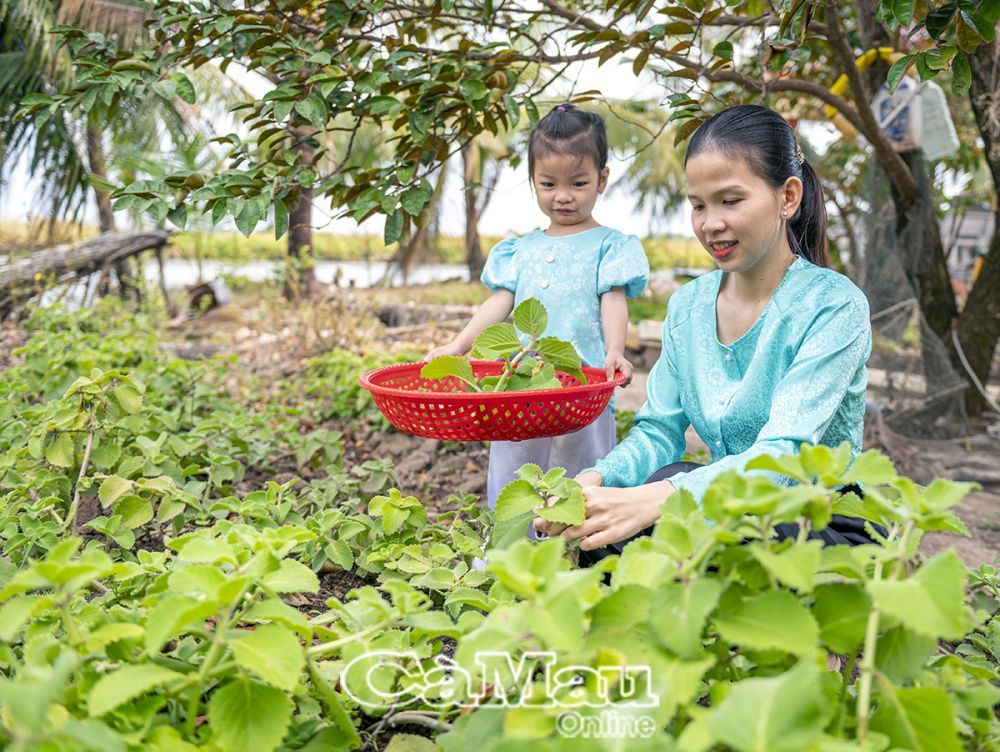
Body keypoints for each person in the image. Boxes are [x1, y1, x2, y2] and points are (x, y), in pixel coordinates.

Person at [534, 104, 876, 555]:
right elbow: (659, 430)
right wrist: (598, 480)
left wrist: (659, 498)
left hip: (815, 518)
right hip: (727, 505)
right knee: (631, 501)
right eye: (698, 205)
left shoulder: (834, 307)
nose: (710, 223)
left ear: (787, 197)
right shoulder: (689, 307)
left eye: (730, 201)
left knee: (685, 505)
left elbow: (786, 455)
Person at [426, 103, 649, 514]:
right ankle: (510, 546)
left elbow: (613, 300)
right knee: (515, 467)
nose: (562, 196)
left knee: (583, 469)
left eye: (578, 183)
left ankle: (577, 548)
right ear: (532, 181)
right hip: (524, 381)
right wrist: (458, 344)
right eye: (548, 184)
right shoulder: (520, 249)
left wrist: (614, 351)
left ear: (602, 180)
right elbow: (499, 302)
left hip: (584, 382)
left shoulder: (609, 246)